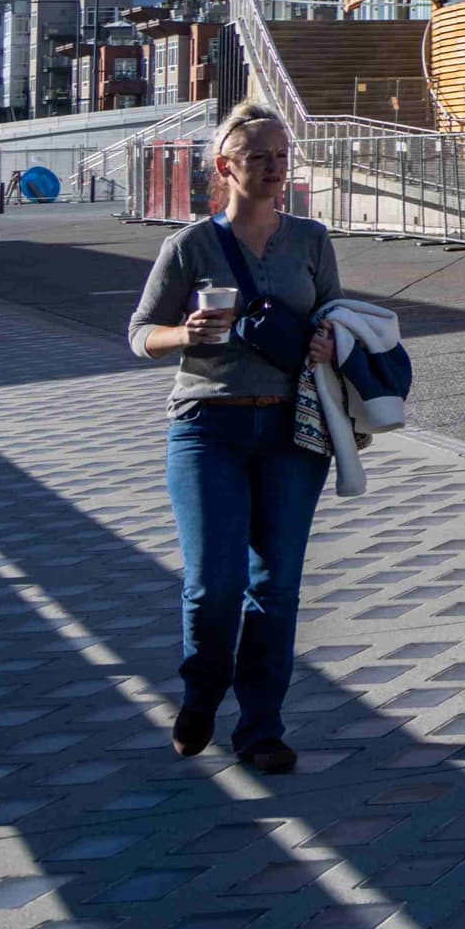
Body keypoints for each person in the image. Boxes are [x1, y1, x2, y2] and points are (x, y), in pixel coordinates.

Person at [127, 107, 343, 774]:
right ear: (226, 166)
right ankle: (201, 690)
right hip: (207, 424)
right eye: (259, 156)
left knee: (276, 587)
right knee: (212, 586)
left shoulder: (310, 238)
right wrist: (184, 334)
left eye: (281, 154)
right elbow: (140, 333)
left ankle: (261, 729)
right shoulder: (191, 245)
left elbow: (336, 314)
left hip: (289, 428)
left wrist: (330, 340)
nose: (275, 167)